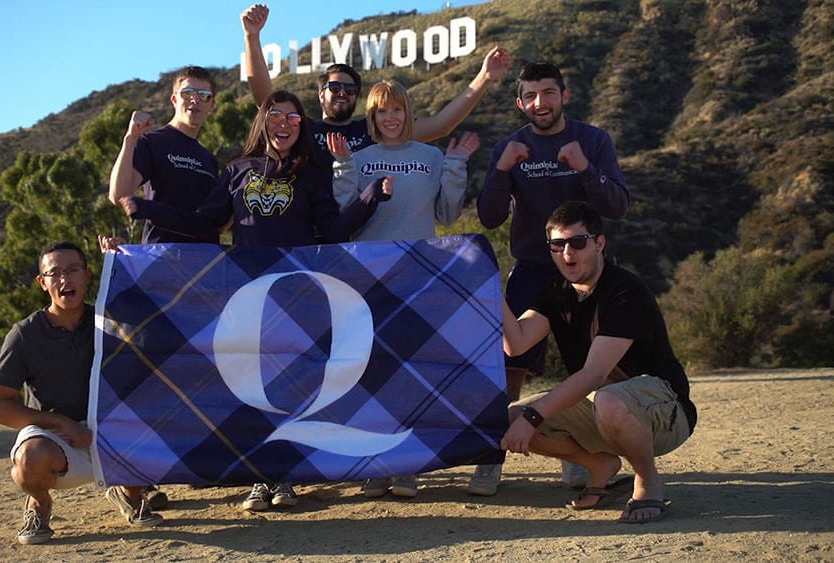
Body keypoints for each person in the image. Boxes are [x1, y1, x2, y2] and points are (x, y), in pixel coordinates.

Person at [120, 90, 393, 510]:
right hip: (247, 293)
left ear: (301, 127)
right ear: (262, 121)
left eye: (294, 118)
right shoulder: (236, 170)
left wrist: (370, 196)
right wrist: (149, 210)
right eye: (275, 115)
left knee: (292, 383)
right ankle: (258, 477)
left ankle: (284, 475)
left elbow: (334, 230)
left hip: (299, 294)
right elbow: (203, 224)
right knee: (252, 384)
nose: (284, 124)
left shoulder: (311, 172)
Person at [469, 61, 630, 496]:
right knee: (506, 369)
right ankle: (490, 458)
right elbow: (488, 216)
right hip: (534, 270)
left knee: (592, 368)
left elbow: (617, 206)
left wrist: (584, 169)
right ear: (519, 101)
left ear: (565, 94)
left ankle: (582, 457)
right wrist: (502, 171)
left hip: (587, 272)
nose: (540, 103)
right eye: (531, 96)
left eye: (548, 93)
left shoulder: (593, 140)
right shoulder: (511, 147)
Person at [498, 200, 697, 523]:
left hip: (664, 410)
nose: (567, 254)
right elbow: (516, 343)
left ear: (599, 243)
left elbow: (593, 375)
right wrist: (495, 295)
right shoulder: (555, 292)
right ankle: (599, 465)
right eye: (557, 245)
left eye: (578, 242)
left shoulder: (624, 292)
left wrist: (533, 417)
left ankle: (647, 480)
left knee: (605, 399)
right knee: (510, 416)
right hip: (607, 409)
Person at [327, 79, 479, 498]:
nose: (390, 118)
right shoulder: (358, 157)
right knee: (370, 372)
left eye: (396, 110)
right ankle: (376, 466)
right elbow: (343, 217)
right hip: (367, 279)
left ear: (407, 114)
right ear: (371, 117)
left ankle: (408, 464)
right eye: (380, 111)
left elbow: (448, 215)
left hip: (417, 277)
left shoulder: (430, 157)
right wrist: (342, 168)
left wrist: (454, 166)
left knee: (411, 373)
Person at [0, 241, 162, 545]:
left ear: (88, 275)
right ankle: (38, 503)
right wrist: (62, 424)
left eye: (73, 270)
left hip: (108, 433)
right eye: (54, 273)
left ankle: (128, 493)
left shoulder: (109, 323)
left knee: (155, 433)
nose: (64, 279)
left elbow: (154, 306)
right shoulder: (25, 334)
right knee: (29, 462)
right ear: (43, 283)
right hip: (55, 438)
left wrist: (124, 262)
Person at [240, 3, 511, 167]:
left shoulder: (372, 130)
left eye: (350, 90)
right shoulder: (304, 129)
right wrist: (252, 37)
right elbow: (266, 100)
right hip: (311, 237)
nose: (342, 93)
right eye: (335, 88)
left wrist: (484, 77)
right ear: (320, 95)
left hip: (362, 237)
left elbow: (441, 125)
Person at [109, 65, 220, 244]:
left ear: (212, 104)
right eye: (187, 93)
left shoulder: (210, 160)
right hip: (160, 259)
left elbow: (212, 220)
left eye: (204, 95)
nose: (195, 100)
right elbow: (118, 194)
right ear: (174, 99)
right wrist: (130, 139)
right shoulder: (152, 142)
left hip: (202, 263)